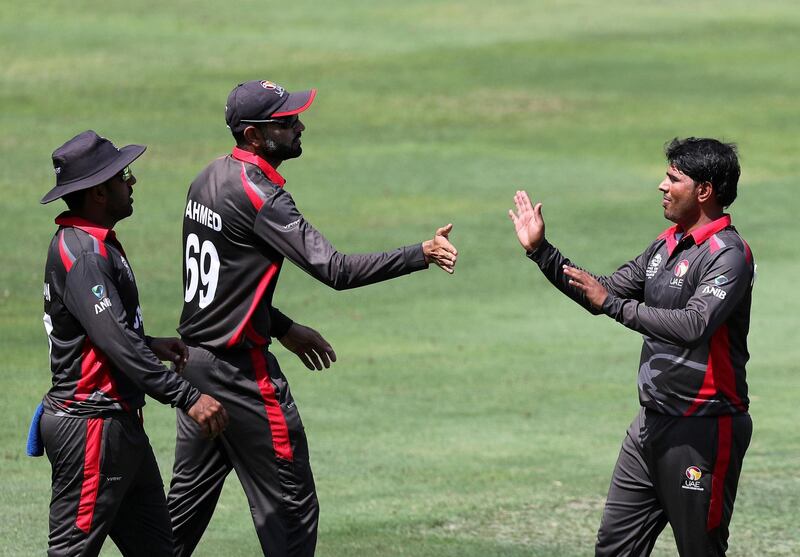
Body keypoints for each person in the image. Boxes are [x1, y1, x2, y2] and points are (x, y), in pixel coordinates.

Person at [166, 79, 458, 556]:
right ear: (254, 135)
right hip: (244, 379)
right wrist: (420, 253)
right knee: (292, 516)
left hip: (196, 370)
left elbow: (223, 289)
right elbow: (336, 270)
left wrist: (282, 327)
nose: (299, 125)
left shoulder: (205, 179)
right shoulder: (260, 196)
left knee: (176, 526)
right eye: (286, 122)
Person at [508, 138, 754, 556]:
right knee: (615, 549)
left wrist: (613, 305)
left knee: (700, 550)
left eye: (674, 178)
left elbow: (694, 324)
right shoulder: (665, 245)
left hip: (704, 428)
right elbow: (600, 293)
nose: (662, 185)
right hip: (649, 427)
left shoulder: (728, 255)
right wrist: (541, 252)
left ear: (704, 190)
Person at [38, 130, 228, 556]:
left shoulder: (92, 244)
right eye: (124, 175)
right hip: (90, 428)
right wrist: (187, 396)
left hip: (118, 427)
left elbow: (109, 334)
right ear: (99, 193)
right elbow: (118, 344)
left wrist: (151, 343)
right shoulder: (85, 255)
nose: (133, 182)